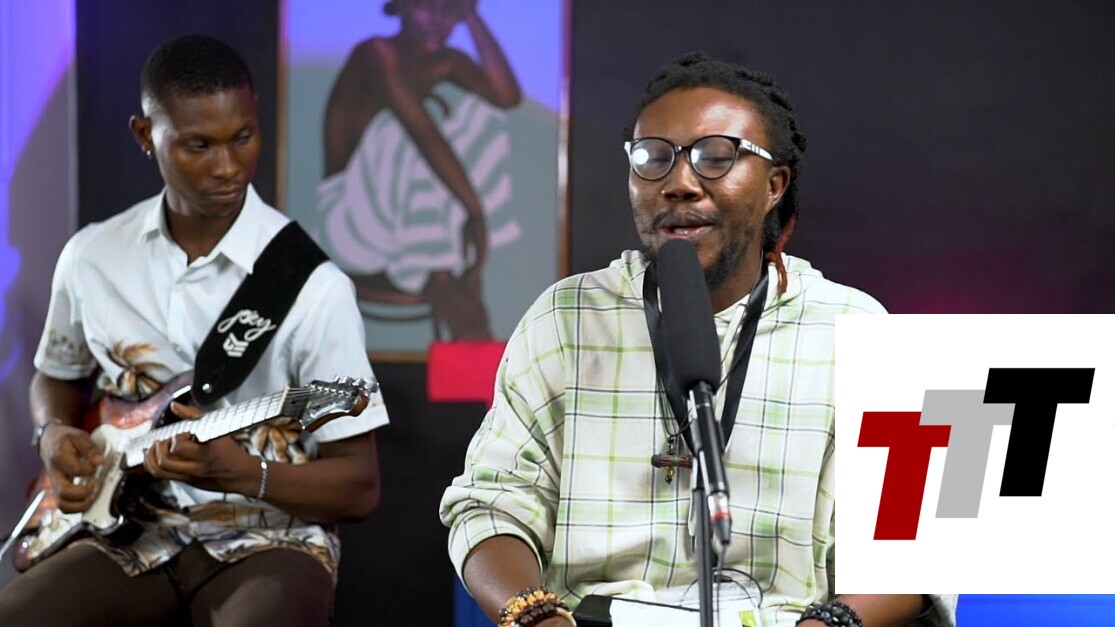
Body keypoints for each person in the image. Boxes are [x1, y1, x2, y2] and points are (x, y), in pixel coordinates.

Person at [440, 52, 957, 626]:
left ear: (774, 185)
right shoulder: (566, 319)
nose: (679, 183)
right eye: (653, 158)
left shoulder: (858, 328)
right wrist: (540, 620)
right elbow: (489, 507)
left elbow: (916, 548)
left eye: (716, 157)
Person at [0, 35, 389, 627]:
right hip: (127, 529)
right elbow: (55, 376)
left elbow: (360, 487)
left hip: (269, 539)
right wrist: (50, 434)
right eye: (198, 145)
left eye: (242, 137)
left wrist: (245, 474)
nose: (228, 167)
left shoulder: (313, 287)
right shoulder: (91, 257)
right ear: (144, 135)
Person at [319, 0, 522, 340]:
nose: (439, 19)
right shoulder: (375, 54)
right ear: (400, 6)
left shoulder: (446, 62)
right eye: (426, 6)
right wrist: (475, 212)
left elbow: (507, 96)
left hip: (400, 227)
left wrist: (472, 15)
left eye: (449, 8)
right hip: (351, 224)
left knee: (483, 114)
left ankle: (443, 263)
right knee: (399, 131)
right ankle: (442, 274)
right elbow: (422, 132)